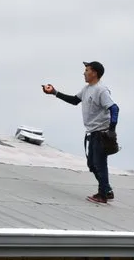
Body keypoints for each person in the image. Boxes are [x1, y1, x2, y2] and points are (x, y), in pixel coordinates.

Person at [42, 60, 120, 204]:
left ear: (94, 73)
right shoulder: (87, 89)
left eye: (87, 70)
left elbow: (114, 108)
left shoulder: (101, 90)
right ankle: (107, 189)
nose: (84, 73)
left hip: (102, 133)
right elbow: (74, 100)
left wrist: (112, 130)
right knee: (92, 164)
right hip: (92, 132)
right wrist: (54, 92)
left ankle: (103, 195)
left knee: (100, 164)